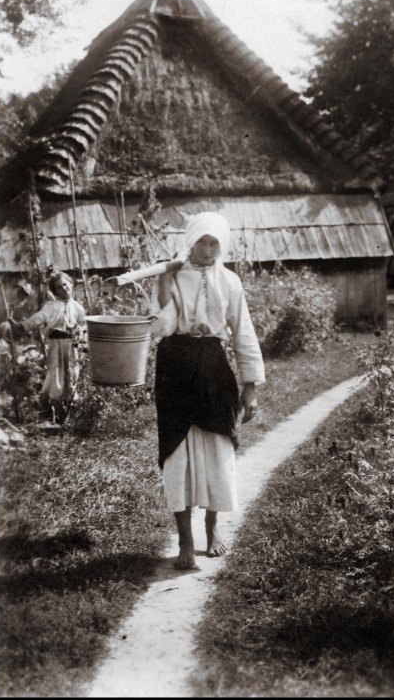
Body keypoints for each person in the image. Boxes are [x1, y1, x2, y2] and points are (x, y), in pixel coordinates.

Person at [150, 211, 265, 571]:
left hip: (213, 366)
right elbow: (160, 328)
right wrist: (164, 285)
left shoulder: (230, 281)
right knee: (177, 453)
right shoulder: (171, 273)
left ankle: (212, 529)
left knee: (218, 448)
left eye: (214, 242)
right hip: (175, 366)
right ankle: (185, 539)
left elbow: (243, 332)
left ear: (221, 245)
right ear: (190, 242)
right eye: (201, 241)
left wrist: (251, 386)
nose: (207, 248)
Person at [3, 271, 86, 422]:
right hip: (55, 344)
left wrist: (82, 338)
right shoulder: (51, 307)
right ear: (56, 291)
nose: (64, 288)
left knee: (73, 375)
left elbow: (84, 326)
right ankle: (57, 414)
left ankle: (71, 415)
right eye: (59, 287)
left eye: (66, 285)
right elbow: (37, 319)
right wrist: (21, 326)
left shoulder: (78, 307)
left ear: (71, 285)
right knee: (56, 376)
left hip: (72, 345)